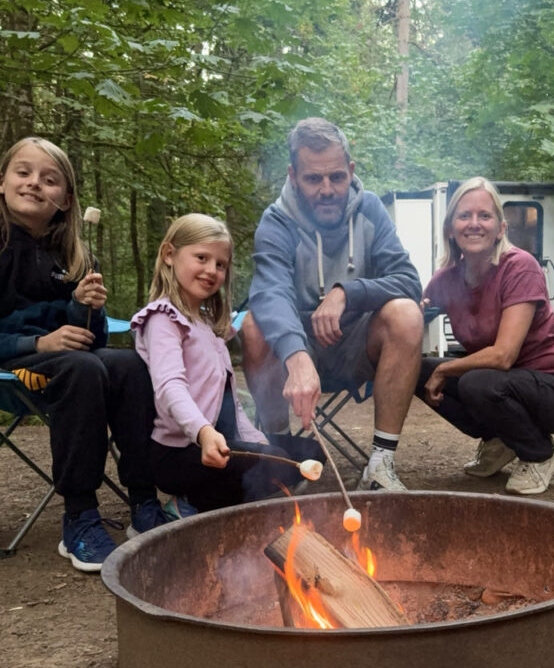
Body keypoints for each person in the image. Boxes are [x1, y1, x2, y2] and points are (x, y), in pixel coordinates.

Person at [0, 136, 168, 572]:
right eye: (23, 173)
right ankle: (79, 514)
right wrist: (37, 343)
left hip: (64, 362)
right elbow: (69, 351)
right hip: (12, 364)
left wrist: (83, 306)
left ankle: (144, 500)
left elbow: (91, 339)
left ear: (67, 199)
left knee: (130, 364)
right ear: (2, 182)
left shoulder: (74, 252)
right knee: (80, 369)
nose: (35, 183)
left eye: (49, 179)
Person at [240, 117, 424, 492]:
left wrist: (346, 293)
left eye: (337, 177)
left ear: (351, 170)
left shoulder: (370, 210)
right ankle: (282, 459)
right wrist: (297, 355)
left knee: (406, 313)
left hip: (355, 343)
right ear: (293, 176)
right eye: (313, 179)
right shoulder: (277, 221)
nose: (327, 189)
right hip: (296, 348)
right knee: (254, 326)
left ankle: (380, 465)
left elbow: (408, 279)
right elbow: (269, 292)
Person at [416, 177, 554, 495]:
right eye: (464, 216)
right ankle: (500, 440)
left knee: (475, 380)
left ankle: (539, 454)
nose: (474, 224)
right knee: (415, 369)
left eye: (484, 216)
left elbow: (503, 355)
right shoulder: (447, 279)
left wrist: (444, 369)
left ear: (501, 228)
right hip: (502, 385)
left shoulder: (520, 268)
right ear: (450, 228)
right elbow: (412, 316)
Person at [132, 214, 316, 512]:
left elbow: (230, 401)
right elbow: (170, 387)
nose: (211, 270)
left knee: (308, 453)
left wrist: (259, 443)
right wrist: (203, 432)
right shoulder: (163, 319)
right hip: (182, 452)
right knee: (277, 467)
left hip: (221, 442)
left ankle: (227, 498)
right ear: (169, 254)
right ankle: (188, 506)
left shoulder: (211, 324)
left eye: (220, 264)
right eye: (201, 257)